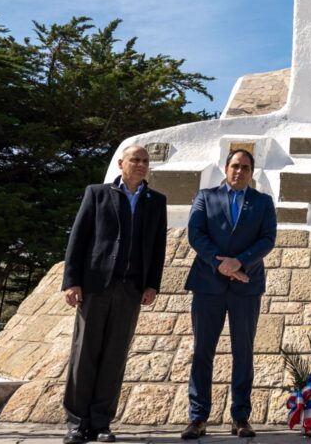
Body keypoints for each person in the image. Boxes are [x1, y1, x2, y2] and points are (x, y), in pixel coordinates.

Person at [60, 144, 168, 444]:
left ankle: (102, 421)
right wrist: (72, 281)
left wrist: (152, 284)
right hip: (96, 285)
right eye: (135, 160)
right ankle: (77, 422)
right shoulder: (97, 193)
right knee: (85, 354)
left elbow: (158, 247)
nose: (141, 165)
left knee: (114, 357)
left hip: (130, 289)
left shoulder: (156, 201)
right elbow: (78, 239)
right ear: (122, 163)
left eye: (145, 161)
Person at [181, 149, 277, 440]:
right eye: (235, 166)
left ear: (252, 172)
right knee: (202, 352)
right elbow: (196, 234)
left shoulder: (262, 202)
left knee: (243, 352)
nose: (239, 171)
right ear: (226, 168)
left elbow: (268, 238)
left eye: (245, 167)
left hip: (246, 286)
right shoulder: (205, 197)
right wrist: (221, 263)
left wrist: (241, 262)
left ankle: (241, 417)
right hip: (208, 284)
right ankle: (198, 418)